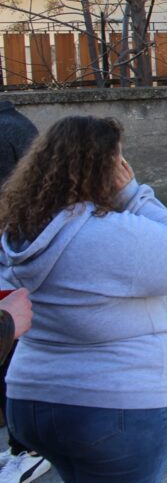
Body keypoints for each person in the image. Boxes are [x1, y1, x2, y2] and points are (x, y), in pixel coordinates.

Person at [0, 116, 167, 483]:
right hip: (111, 408)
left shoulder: (18, 231)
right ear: (106, 171)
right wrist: (134, 195)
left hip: (30, 398)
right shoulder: (109, 234)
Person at [0, 103, 48, 483]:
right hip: (16, 255)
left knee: (12, 358)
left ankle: (28, 449)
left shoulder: (5, 131)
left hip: (10, 259)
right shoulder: (15, 123)